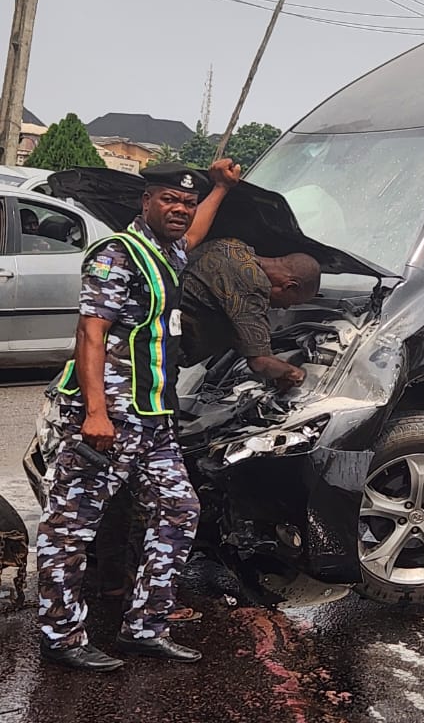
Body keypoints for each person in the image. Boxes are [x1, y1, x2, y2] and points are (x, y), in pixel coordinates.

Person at [34, 160, 240, 673]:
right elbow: (90, 334)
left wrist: (218, 189)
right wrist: (96, 414)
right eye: (170, 199)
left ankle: (145, 627)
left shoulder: (166, 251)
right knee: (70, 527)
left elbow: (193, 234)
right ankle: (60, 634)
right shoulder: (116, 255)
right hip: (107, 418)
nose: (180, 210)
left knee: (179, 510)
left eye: (186, 203)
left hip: (153, 418)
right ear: (144, 201)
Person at [180, 237, 321, 388]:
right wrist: (295, 373)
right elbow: (260, 362)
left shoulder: (231, 246)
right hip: (158, 352)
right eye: (291, 302)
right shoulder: (253, 287)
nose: (285, 308)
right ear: (289, 286)